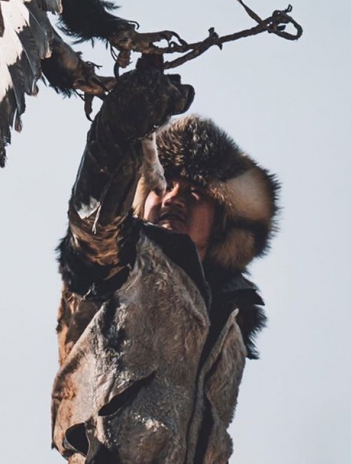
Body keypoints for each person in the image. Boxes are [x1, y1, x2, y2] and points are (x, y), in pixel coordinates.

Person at [51, 59, 279, 464]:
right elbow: (92, 220)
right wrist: (118, 130)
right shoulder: (120, 262)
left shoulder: (232, 318)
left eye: (194, 193)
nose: (174, 197)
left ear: (222, 221)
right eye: (165, 184)